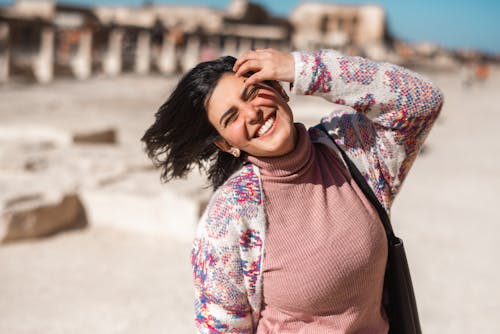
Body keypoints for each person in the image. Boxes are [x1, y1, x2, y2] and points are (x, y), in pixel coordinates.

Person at [141, 48, 444, 333]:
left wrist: (300, 68)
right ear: (226, 145)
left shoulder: (353, 149)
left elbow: (423, 101)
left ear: (279, 88)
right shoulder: (229, 215)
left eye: (252, 92)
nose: (252, 113)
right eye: (231, 117)